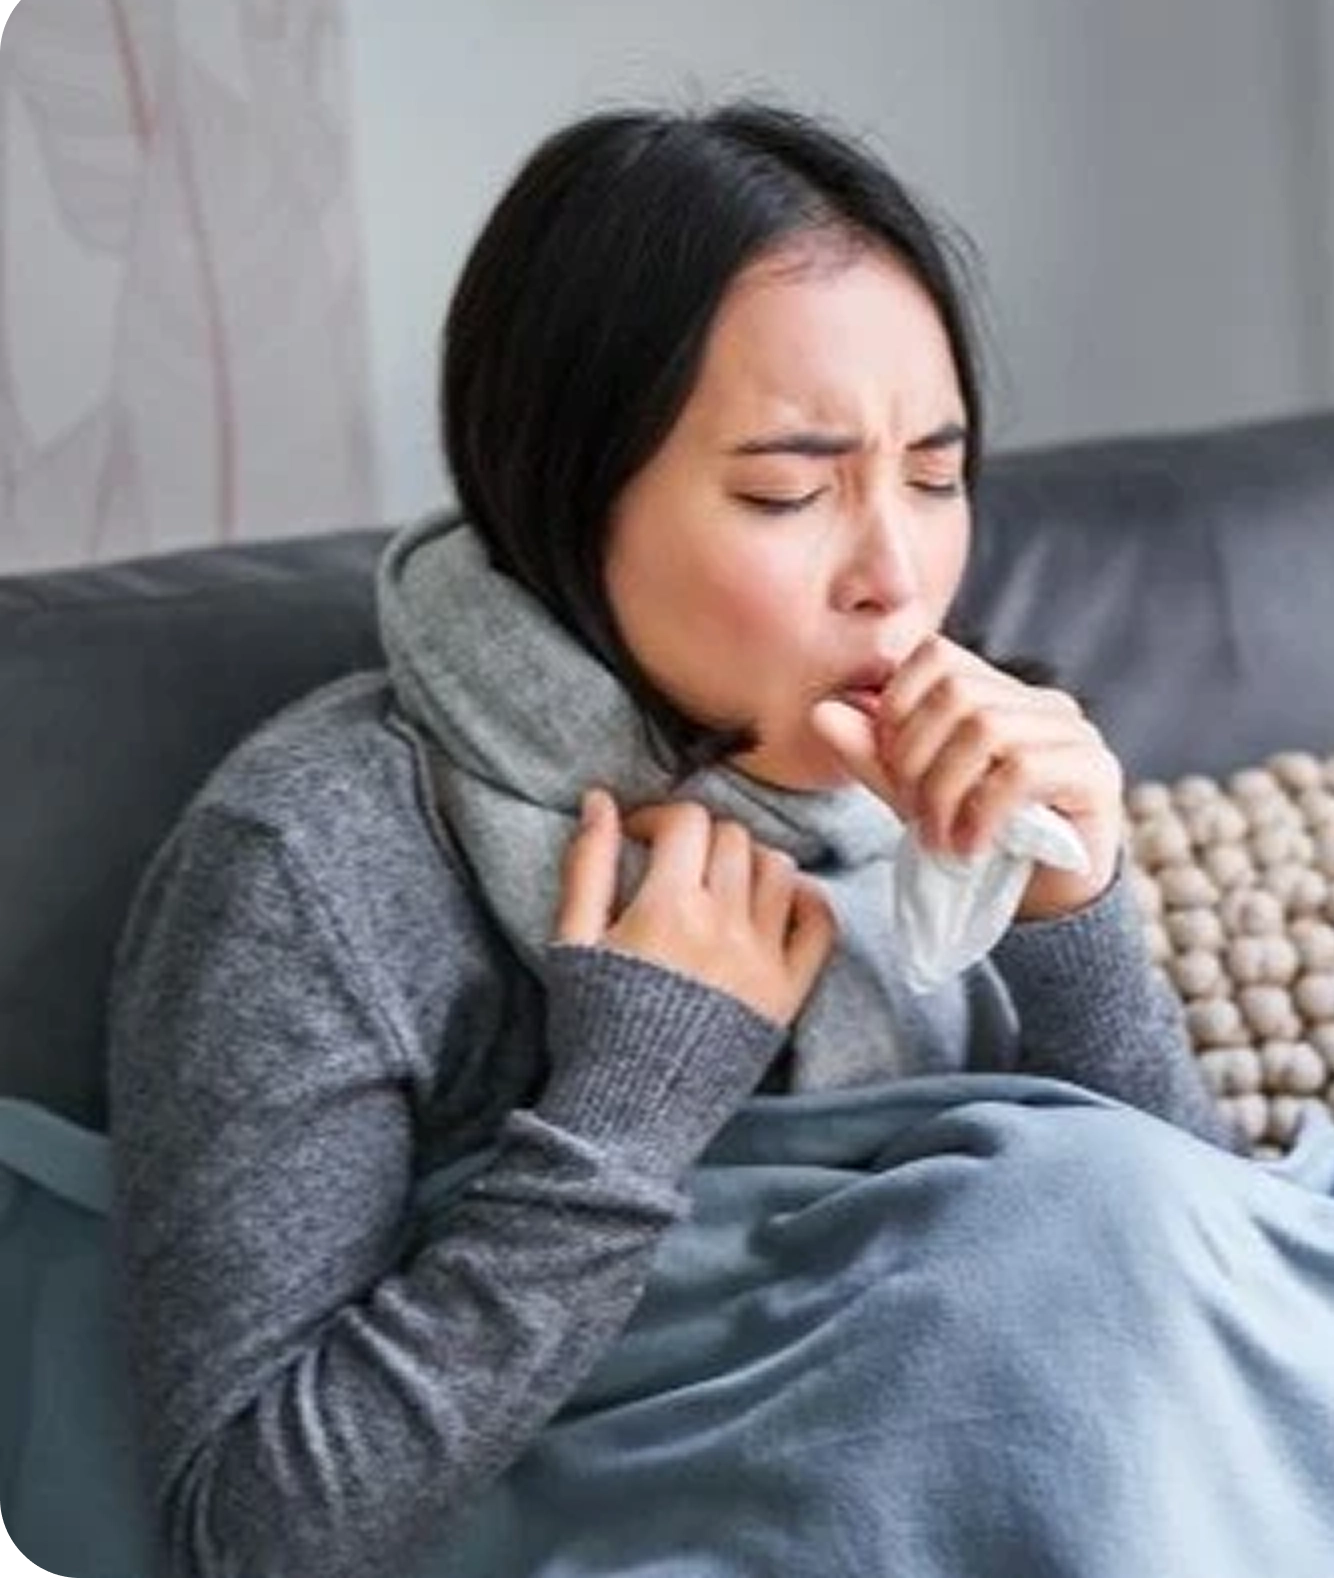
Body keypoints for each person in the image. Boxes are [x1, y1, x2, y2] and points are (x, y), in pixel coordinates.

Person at [106, 98, 1232, 1578]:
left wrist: (1075, 919)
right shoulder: (314, 856)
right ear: (571, 496)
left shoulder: (959, 758)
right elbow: (252, 1529)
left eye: (938, 475)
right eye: (788, 489)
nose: (898, 577)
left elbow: (1195, 1290)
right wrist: (628, 1104)